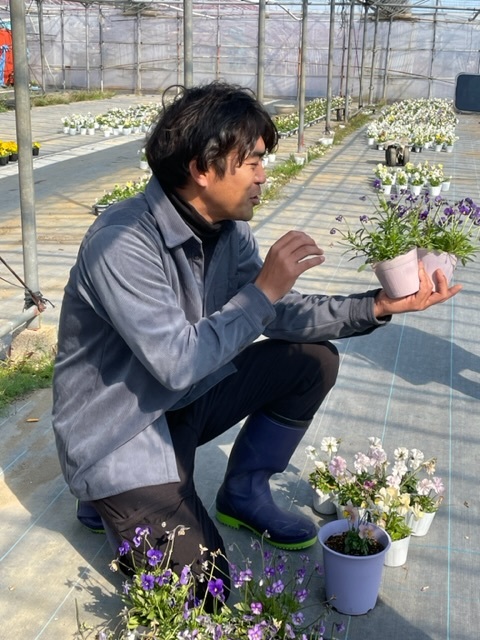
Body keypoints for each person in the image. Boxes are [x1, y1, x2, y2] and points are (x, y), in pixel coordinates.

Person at [52, 81, 461, 592]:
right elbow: (177, 361)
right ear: (202, 168)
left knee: (311, 360)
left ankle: (243, 492)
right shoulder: (122, 242)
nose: (263, 176)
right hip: (124, 429)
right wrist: (264, 289)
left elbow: (277, 314)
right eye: (253, 162)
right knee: (205, 593)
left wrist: (376, 305)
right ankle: (106, 491)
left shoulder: (227, 228)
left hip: (183, 401)